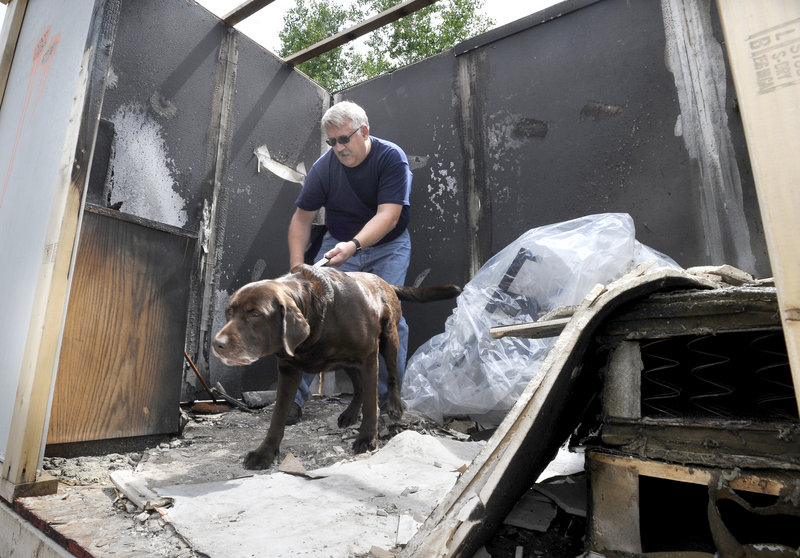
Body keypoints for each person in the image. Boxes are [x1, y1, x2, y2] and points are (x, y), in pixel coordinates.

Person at [286, 100, 412, 424]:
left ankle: (387, 401)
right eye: (332, 142)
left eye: (344, 139)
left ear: (364, 132)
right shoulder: (324, 168)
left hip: (388, 246)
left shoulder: (390, 157)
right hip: (338, 243)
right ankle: (291, 400)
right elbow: (301, 219)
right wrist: (298, 268)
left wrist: (355, 245)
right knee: (307, 308)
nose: (339, 148)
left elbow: (389, 214)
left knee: (389, 319)